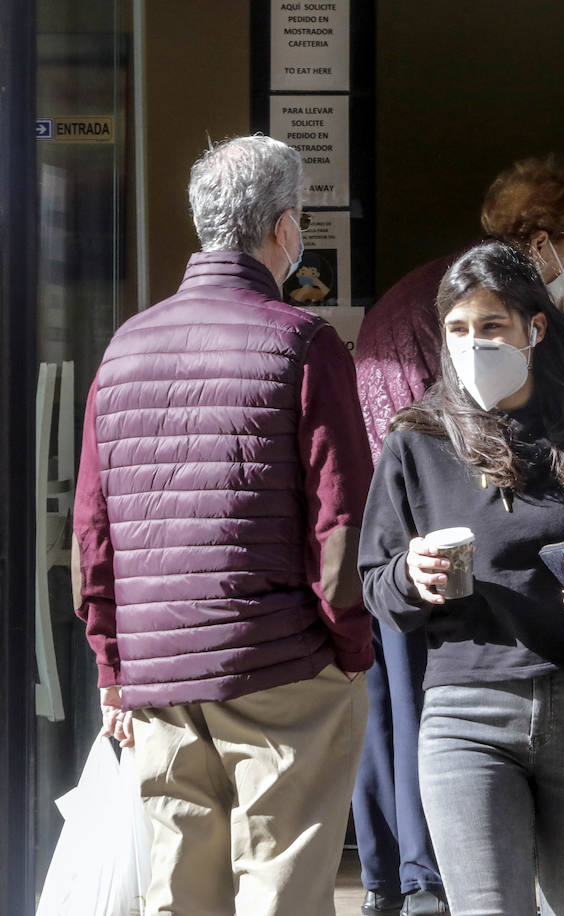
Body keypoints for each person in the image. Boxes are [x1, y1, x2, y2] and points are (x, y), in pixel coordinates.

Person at [72, 135, 374, 915]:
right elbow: (341, 528)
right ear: (283, 229)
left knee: (176, 895)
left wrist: (113, 667)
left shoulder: (123, 347)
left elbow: (92, 537)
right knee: (281, 891)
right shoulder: (302, 344)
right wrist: (350, 651)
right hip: (281, 668)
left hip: (157, 677)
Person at [359, 239, 564, 915]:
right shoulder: (418, 440)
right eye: (458, 330)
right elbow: (375, 586)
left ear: (534, 329)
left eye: (492, 327)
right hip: (465, 713)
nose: (473, 344)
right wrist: (410, 576)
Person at [348, 153, 564, 916]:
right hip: (430, 537)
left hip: (415, 528)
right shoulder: (475, 310)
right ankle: (422, 883)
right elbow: (451, 432)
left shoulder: (441, 291)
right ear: (541, 243)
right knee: (416, 705)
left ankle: (397, 881)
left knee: (395, 710)